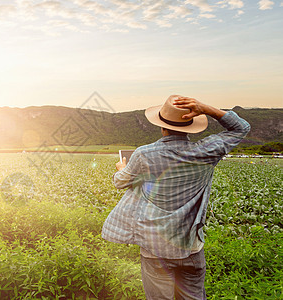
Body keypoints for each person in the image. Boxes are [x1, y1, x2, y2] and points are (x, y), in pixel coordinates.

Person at [102, 95, 250, 299]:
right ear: (191, 126)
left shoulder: (144, 154)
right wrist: (207, 109)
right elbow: (241, 128)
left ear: (161, 126)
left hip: (155, 250)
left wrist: (122, 168)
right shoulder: (206, 151)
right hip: (191, 247)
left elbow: (120, 182)